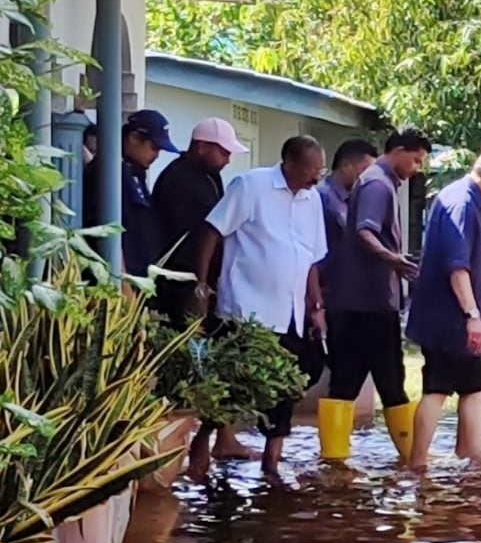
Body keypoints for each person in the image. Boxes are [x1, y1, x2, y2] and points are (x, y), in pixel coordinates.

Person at [192, 135, 328, 479]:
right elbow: (211, 231)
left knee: (291, 381)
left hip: (291, 312)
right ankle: (204, 441)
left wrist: (316, 303)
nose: (317, 178)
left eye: (320, 171)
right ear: (290, 164)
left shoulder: (312, 200)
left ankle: (272, 461)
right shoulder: (251, 185)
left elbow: (311, 256)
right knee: (231, 384)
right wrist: (201, 284)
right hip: (246, 307)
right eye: (312, 170)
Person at [406, 149, 481, 469]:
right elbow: (457, 267)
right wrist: (472, 316)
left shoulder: (471, 201)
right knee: (438, 389)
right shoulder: (462, 203)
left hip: (457, 315)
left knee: (474, 385)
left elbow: (470, 248)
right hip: (449, 317)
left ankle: (477, 457)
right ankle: (417, 463)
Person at [151, 116, 251, 477]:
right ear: (202, 147)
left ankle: (218, 436)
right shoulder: (178, 180)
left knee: (211, 358)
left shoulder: (211, 176)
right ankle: (196, 442)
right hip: (181, 285)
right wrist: (200, 284)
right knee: (195, 362)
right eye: (222, 152)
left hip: (203, 283)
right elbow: (202, 236)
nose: (227, 159)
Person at [323, 128, 432, 456]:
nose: (416, 168)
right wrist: (395, 260)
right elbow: (364, 232)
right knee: (386, 381)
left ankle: (335, 461)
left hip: (360, 301)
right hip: (368, 304)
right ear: (398, 150)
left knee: (351, 380)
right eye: (415, 160)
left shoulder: (376, 182)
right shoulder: (377, 184)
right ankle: (414, 460)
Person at [84, 109, 179, 278]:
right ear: (134, 138)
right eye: (154, 148)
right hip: (118, 282)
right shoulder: (110, 172)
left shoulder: (135, 171)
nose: (156, 156)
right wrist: (122, 282)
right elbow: (107, 231)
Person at [316, 138, 380, 372]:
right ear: (345, 166)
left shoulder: (353, 199)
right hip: (326, 292)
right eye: (363, 171)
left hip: (345, 294)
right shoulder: (323, 199)